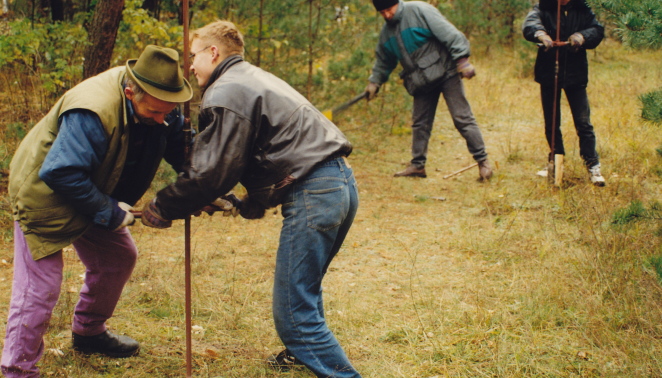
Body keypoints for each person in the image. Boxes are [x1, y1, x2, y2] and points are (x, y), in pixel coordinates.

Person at [139, 21, 362, 378]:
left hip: (315, 193)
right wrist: (247, 202)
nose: (190, 66)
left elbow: (212, 171)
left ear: (213, 53)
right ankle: (300, 353)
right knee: (303, 288)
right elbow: (266, 150)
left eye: (193, 56)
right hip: (339, 183)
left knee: (292, 313)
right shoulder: (251, 77)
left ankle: (332, 366)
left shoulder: (225, 90)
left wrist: (163, 206)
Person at [2, 45, 192, 377]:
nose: (164, 120)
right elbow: (61, 172)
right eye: (156, 112)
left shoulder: (163, 101)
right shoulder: (93, 110)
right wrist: (109, 211)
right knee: (41, 287)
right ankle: (17, 369)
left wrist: (204, 185)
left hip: (93, 189)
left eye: (168, 112)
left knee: (118, 257)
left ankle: (89, 332)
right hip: (46, 195)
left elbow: (181, 149)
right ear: (131, 92)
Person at [365, 0, 492, 180]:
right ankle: (417, 166)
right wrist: (374, 82)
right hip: (420, 81)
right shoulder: (386, 33)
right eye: (382, 12)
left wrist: (462, 60)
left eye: (388, 9)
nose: (386, 15)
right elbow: (383, 61)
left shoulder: (418, 10)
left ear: (396, 3)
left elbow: (450, 34)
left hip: (446, 71)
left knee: (461, 117)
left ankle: (483, 162)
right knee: (420, 124)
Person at [523, 0, 606, 186]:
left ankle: (593, 165)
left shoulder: (582, 8)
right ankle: (555, 162)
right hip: (548, 73)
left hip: (575, 75)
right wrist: (541, 34)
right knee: (552, 122)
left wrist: (581, 36)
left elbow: (597, 30)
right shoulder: (544, 6)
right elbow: (529, 24)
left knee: (583, 122)